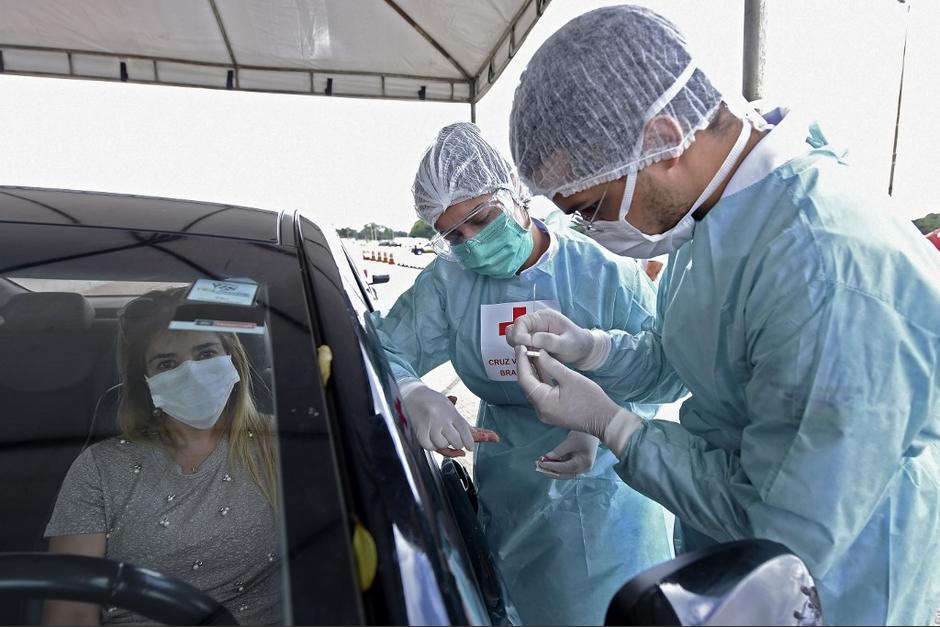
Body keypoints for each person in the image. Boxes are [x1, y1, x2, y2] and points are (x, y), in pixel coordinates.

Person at [505, 5, 940, 625]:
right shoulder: (712, 214)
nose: (589, 229)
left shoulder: (825, 267)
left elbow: (779, 539)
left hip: (833, 593)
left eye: (590, 206)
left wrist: (617, 428)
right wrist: (593, 349)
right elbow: (687, 359)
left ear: (662, 141)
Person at [371, 122, 679, 625]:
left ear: (515, 195)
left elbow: (665, 371)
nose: (472, 243)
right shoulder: (449, 283)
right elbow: (381, 347)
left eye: (481, 218)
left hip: (610, 498)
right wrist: (412, 391)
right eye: (454, 235)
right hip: (511, 487)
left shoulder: (603, 271)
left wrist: (603, 423)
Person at [43, 287, 281, 625]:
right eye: (167, 363)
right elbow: (71, 612)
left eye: (205, 354)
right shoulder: (99, 468)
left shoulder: (281, 444)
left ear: (232, 358)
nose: (192, 373)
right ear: (147, 381)